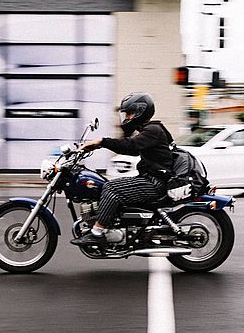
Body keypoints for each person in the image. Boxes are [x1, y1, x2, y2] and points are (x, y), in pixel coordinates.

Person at [71, 92, 172, 247]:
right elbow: (132, 149)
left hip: (155, 183)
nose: (126, 118)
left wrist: (101, 142)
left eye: (130, 113)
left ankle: (97, 233)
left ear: (140, 112)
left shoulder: (153, 130)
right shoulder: (150, 131)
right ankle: (110, 225)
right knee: (109, 185)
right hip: (150, 179)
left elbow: (130, 145)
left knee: (111, 188)